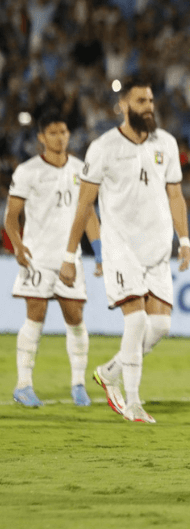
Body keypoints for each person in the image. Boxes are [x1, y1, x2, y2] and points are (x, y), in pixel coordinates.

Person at [60, 79, 190, 424]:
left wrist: (185, 239)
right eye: (140, 100)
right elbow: (85, 204)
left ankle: (109, 372)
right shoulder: (103, 147)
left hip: (158, 249)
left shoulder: (167, 143)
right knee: (135, 321)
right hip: (121, 248)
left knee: (160, 326)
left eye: (150, 100)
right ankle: (132, 403)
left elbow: (175, 195)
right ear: (123, 105)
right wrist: (70, 255)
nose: (148, 106)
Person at [6, 111, 102, 407]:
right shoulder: (27, 171)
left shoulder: (81, 168)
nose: (60, 138)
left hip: (69, 258)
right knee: (35, 316)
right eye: (53, 133)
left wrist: (99, 253)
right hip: (37, 257)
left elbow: (88, 215)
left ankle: (78, 385)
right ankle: (23, 385)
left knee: (75, 318)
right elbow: (11, 217)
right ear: (41, 137)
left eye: (64, 132)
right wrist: (18, 247)